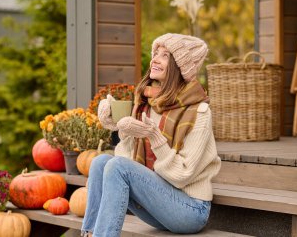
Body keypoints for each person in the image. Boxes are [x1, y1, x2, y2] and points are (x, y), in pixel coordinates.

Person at [81, 33, 221, 237]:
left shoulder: (199, 112)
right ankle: (89, 234)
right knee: (101, 162)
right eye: (155, 53)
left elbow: (182, 175)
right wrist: (120, 129)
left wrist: (155, 137)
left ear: (180, 66)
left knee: (116, 166)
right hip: (157, 205)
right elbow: (125, 162)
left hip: (190, 209)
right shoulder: (146, 104)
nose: (155, 59)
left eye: (164, 55)